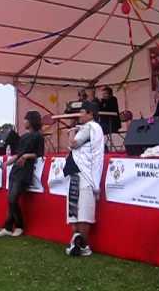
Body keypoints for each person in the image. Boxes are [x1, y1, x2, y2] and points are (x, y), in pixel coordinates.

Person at [0, 111, 45, 238]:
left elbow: (39, 154)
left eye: (26, 119)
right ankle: (8, 227)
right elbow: (17, 154)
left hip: (25, 171)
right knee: (10, 200)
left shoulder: (38, 136)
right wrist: (7, 163)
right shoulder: (24, 137)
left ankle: (20, 226)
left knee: (12, 199)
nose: (24, 122)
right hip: (16, 170)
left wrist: (26, 156)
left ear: (31, 121)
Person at [65, 101, 104, 257]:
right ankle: (77, 241)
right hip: (77, 173)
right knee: (75, 210)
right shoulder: (90, 128)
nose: (80, 115)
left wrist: (70, 132)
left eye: (82, 112)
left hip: (84, 175)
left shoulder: (90, 127)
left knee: (82, 211)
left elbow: (73, 144)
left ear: (90, 114)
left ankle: (83, 244)